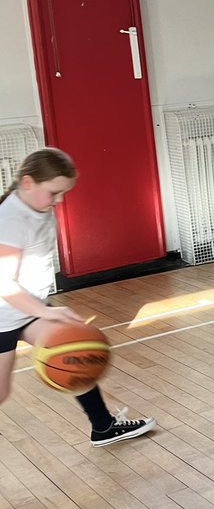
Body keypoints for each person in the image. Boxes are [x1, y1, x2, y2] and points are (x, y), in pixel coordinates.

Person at [0, 148, 156, 447]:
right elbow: (3, 284)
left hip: (27, 307)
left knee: (74, 350)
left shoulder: (38, 207)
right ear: (28, 182)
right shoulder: (10, 221)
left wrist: (42, 311)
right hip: (3, 315)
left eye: (63, 193)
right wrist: (45, 313)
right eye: (54, 193)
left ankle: (104, 427)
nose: (59, 201)